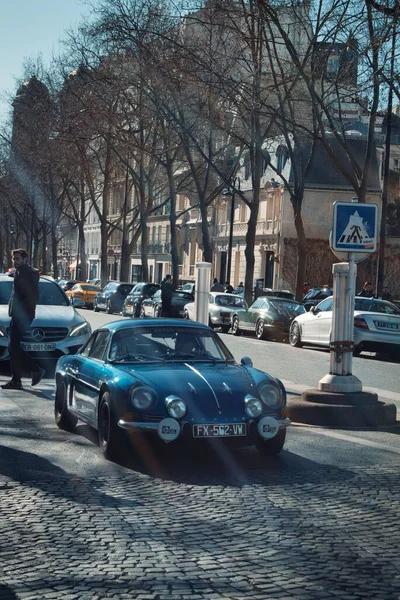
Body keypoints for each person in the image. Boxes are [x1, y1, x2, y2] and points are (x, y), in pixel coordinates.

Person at [1, 248, 45, 390]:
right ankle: (17, 379)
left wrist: (21, 312)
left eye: (17, 259)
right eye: (14, 259)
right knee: (12, 346)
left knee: (13, 346)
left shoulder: (28, 274)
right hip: (17, 314)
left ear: (24, 259)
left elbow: (33, 297)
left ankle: (34, 370)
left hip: (23, 315)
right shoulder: (19, 272)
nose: (15, 262)